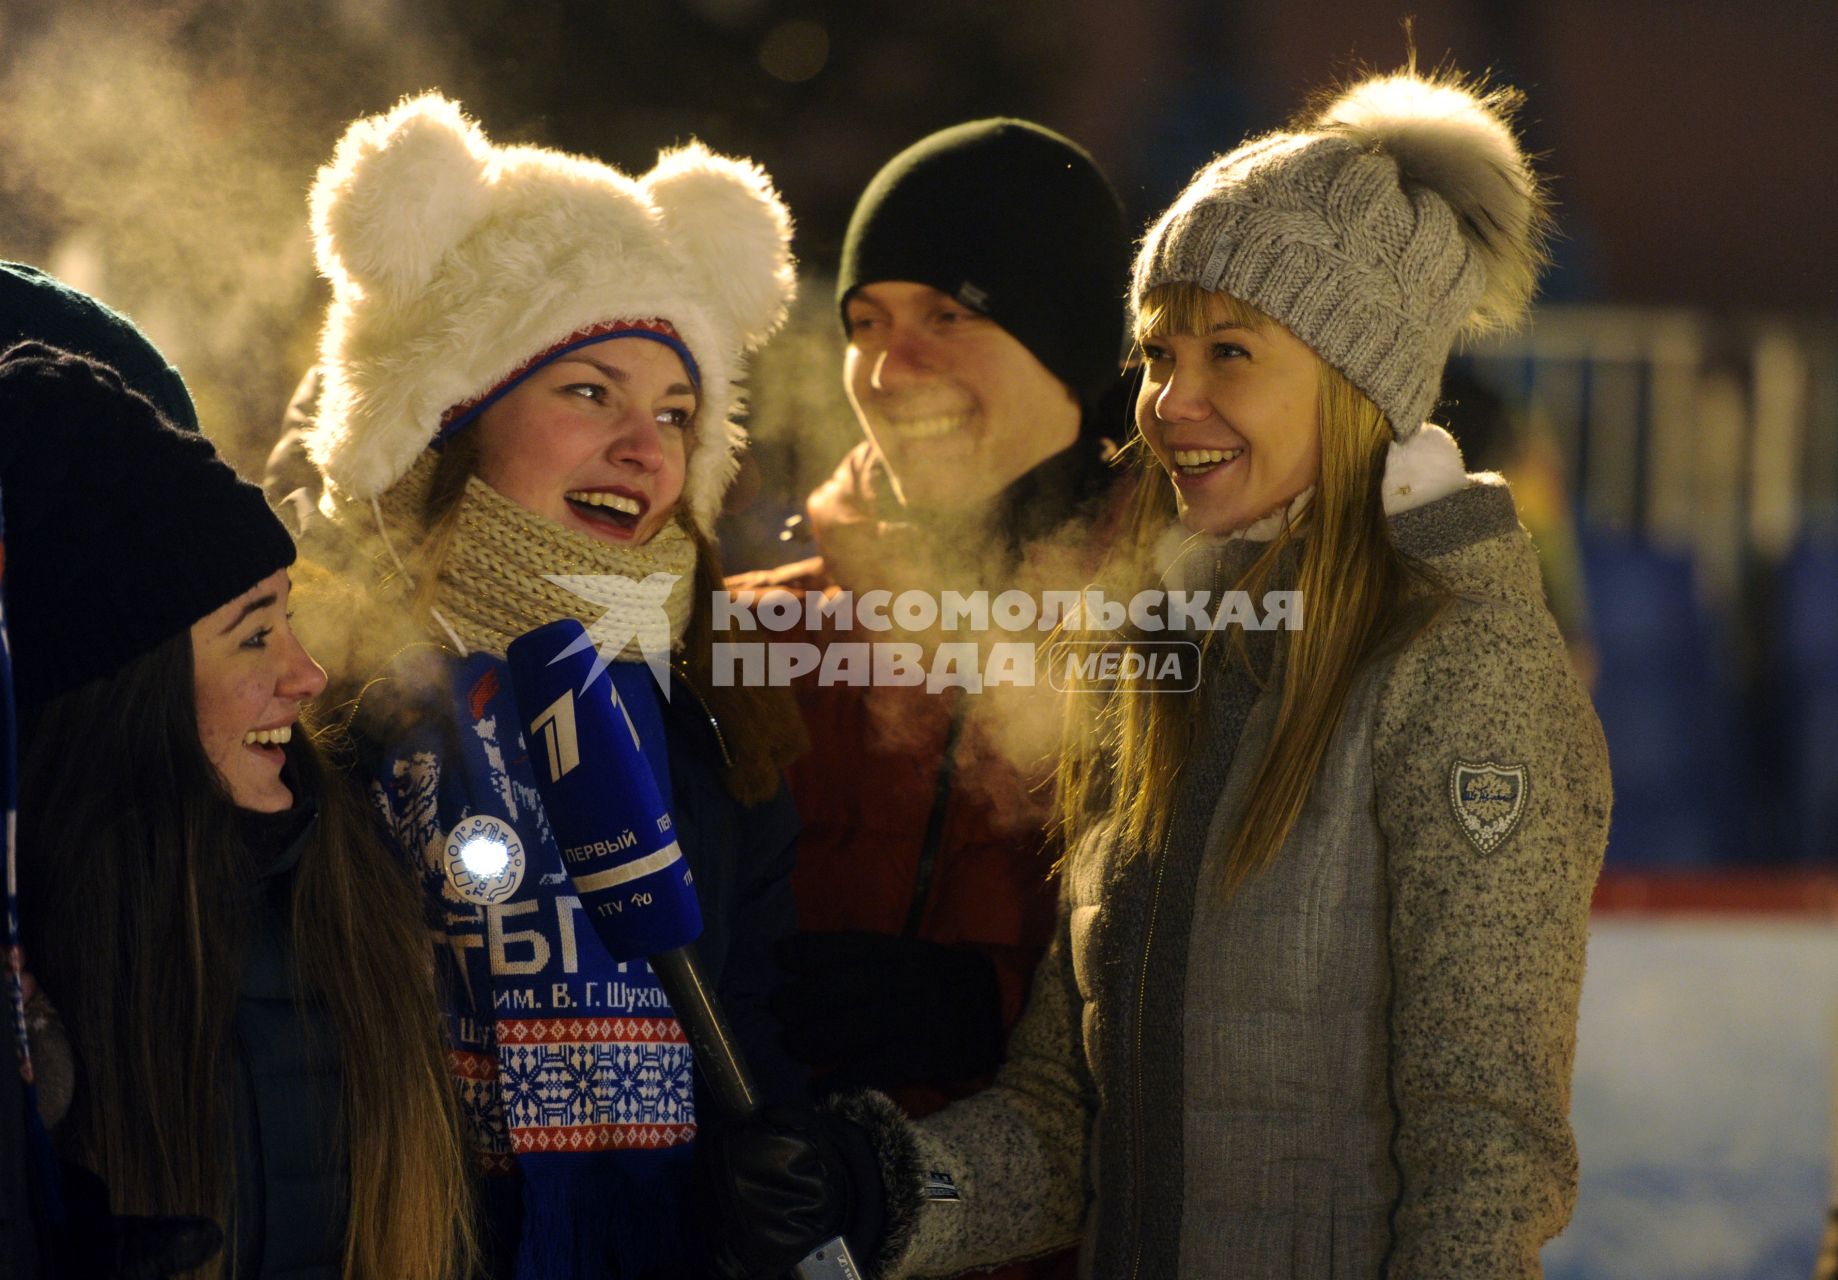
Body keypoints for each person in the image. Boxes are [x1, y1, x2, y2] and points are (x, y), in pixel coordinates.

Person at [703, 68, 1613, 1279]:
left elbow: (1483, 1155)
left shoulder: (1455, 666)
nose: (1168, 403)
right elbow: (1073, 1121)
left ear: (1357, 381)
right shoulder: (1160, 658)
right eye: (1155, 353)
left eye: (1228, 351)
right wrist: (878, 1180)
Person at [295, 94, 803, 1278]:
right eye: (589, 391)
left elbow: (759, 1016)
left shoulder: (719, 711)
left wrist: (795, 1168)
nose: (645, 444)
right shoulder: (323, 687)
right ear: (450, 420)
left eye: (677, 412)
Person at [1, 342, 475, 1280]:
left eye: (290, 621)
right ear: (122, 694)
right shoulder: (38, 981)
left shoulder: (355, 891)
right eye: (254, 635)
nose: (308, 675)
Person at [726, 121, 1130, 1210]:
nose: (887, 367)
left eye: (947, 313)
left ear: (1066, 338)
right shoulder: (749, 635)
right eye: (865, 322)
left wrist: (993, 1006)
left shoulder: (1176, 634)